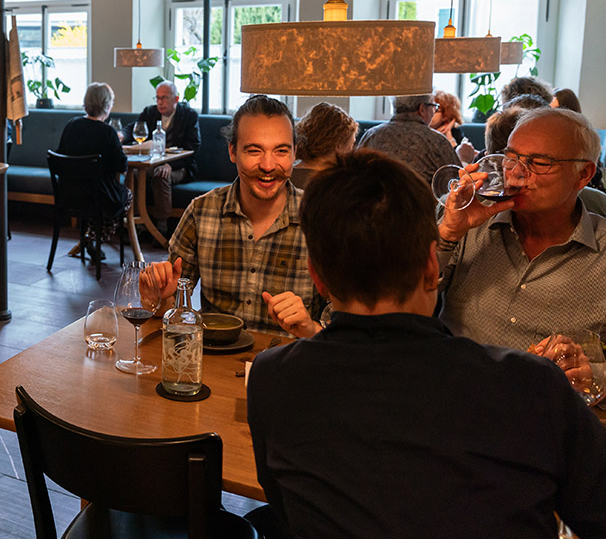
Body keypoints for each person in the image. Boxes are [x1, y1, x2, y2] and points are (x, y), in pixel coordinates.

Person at [247, 149, 606, 539]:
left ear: (317, 277)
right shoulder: (532, 385)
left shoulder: (271, 378)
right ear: (432, 268)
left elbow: (286, 511)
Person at [438, 107, 606, 388]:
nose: (515, 175)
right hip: (455, 395)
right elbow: (394, 299)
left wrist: (595, 376)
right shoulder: (468, 220)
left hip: (546, 415)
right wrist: (448, 234)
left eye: (539, 163)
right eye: (510, 158)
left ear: (583, 174)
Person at [142, 95, 317, 334]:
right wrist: (160, 297)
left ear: (294, 153)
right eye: (254, 150)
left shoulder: (321, 218)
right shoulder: (201, 212)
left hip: (292, 364)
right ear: (233, 151)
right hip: (216, 363)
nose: (267, 165)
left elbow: (342, 327)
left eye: (281, 151)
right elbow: (170, 308)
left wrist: (310, 328)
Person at [56, 82, 130, 258]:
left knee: (99, 195)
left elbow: (60, 159)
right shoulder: (108, 133)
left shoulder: (71, 125)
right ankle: (94, 238)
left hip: (69, 194)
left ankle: (89, 238)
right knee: (126, 195)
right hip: (99, 197)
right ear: (107, 105)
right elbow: (121, 166)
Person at [131, 81, 201, 231]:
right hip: (153, 162)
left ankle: (162, 227)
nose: (160, 102)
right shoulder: (150, 113)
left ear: (175, 99)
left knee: (161, 174)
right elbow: (133, 128)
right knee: (135, 174)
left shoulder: (189, 116)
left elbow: (193, 148)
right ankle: (137, 224)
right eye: (157, 98)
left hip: (181, 166)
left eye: (164, 98)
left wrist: (170, 165)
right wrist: (122, 136)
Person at [355, 94, 460, 185]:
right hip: (421, 207)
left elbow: (356, 176)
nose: (433, 113)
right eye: (433, 107)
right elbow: (456, 184)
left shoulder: (371, 135)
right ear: (422, 109)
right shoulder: (437, 141)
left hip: (373, 205)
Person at [289, 102, 357, 189]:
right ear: (339, 145)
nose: (352, 151)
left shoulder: (284, 176)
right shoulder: (340, 185)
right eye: (351, 144)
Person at [429, 89, 475, 163]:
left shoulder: (455, 132)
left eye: (435, 110)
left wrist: (450, 138)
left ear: (445, 116)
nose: (430, 112)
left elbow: (462, 162)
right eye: (429, 107)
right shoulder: (419, 129)